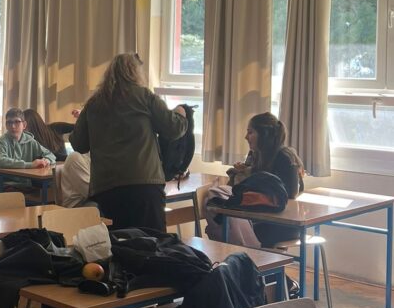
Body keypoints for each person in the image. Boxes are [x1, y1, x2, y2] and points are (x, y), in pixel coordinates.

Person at [71, 53, 187, 231]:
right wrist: (181, 114)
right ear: (135, 73)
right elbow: (173, 129)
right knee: (152, 240)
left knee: (119, 241)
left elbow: (78, 144)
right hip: (144, 183)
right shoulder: (144, 97)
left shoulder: (94, 103)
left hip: (107, 187)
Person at [208, 113, 305, 248]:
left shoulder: (284, 156)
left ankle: (245, 256)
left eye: (250, 132)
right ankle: (240, 254)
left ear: (264, 135)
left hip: (282, 225)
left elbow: (290, 194)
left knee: (228, 231)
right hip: (258, 217)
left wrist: (251, 178)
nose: (246, 137)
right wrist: (242, 173)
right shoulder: (256, 155)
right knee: (221, 216)